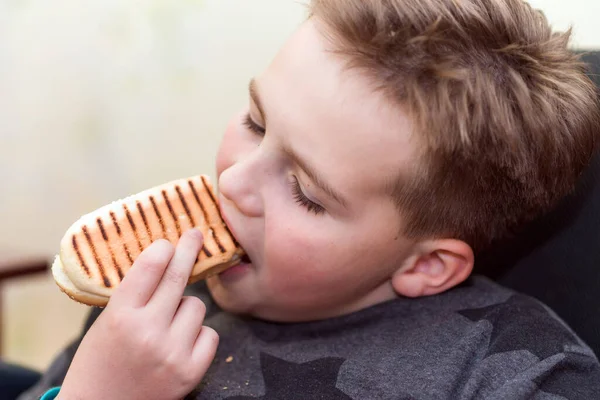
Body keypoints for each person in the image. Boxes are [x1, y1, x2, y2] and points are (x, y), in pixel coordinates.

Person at [23, 0, 600, 399]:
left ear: (427, 265)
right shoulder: (154, 295)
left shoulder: (519, 378)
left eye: (305, 192)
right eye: (255, 121)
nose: (233, 185)